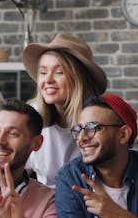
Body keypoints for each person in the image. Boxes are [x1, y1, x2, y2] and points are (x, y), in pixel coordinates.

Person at [23, 33, 107, 188]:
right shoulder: (31, 115)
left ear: (78, 78)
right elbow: (21, 173)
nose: (48, 80)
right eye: (43, 72)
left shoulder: (101, 120)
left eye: (59, 72)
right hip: (43, 205)